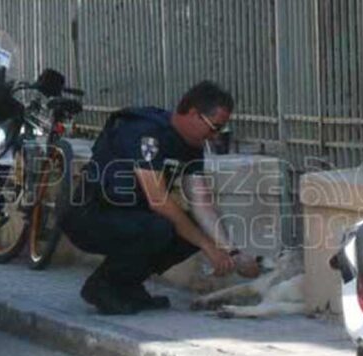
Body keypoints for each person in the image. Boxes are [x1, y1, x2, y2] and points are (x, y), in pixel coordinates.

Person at [60, 81, 260, 315]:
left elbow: (201, 202)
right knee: (160, 227)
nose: (214, 137)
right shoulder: (147, 133)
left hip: (130, 217)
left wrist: (232, 253)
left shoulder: (191, 146)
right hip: (90, 215)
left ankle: (127, 286)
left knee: (189, 228)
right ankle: (103, 286)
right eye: (214, 127)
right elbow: (158, 200)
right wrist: (208, 247)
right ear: (194, 114)